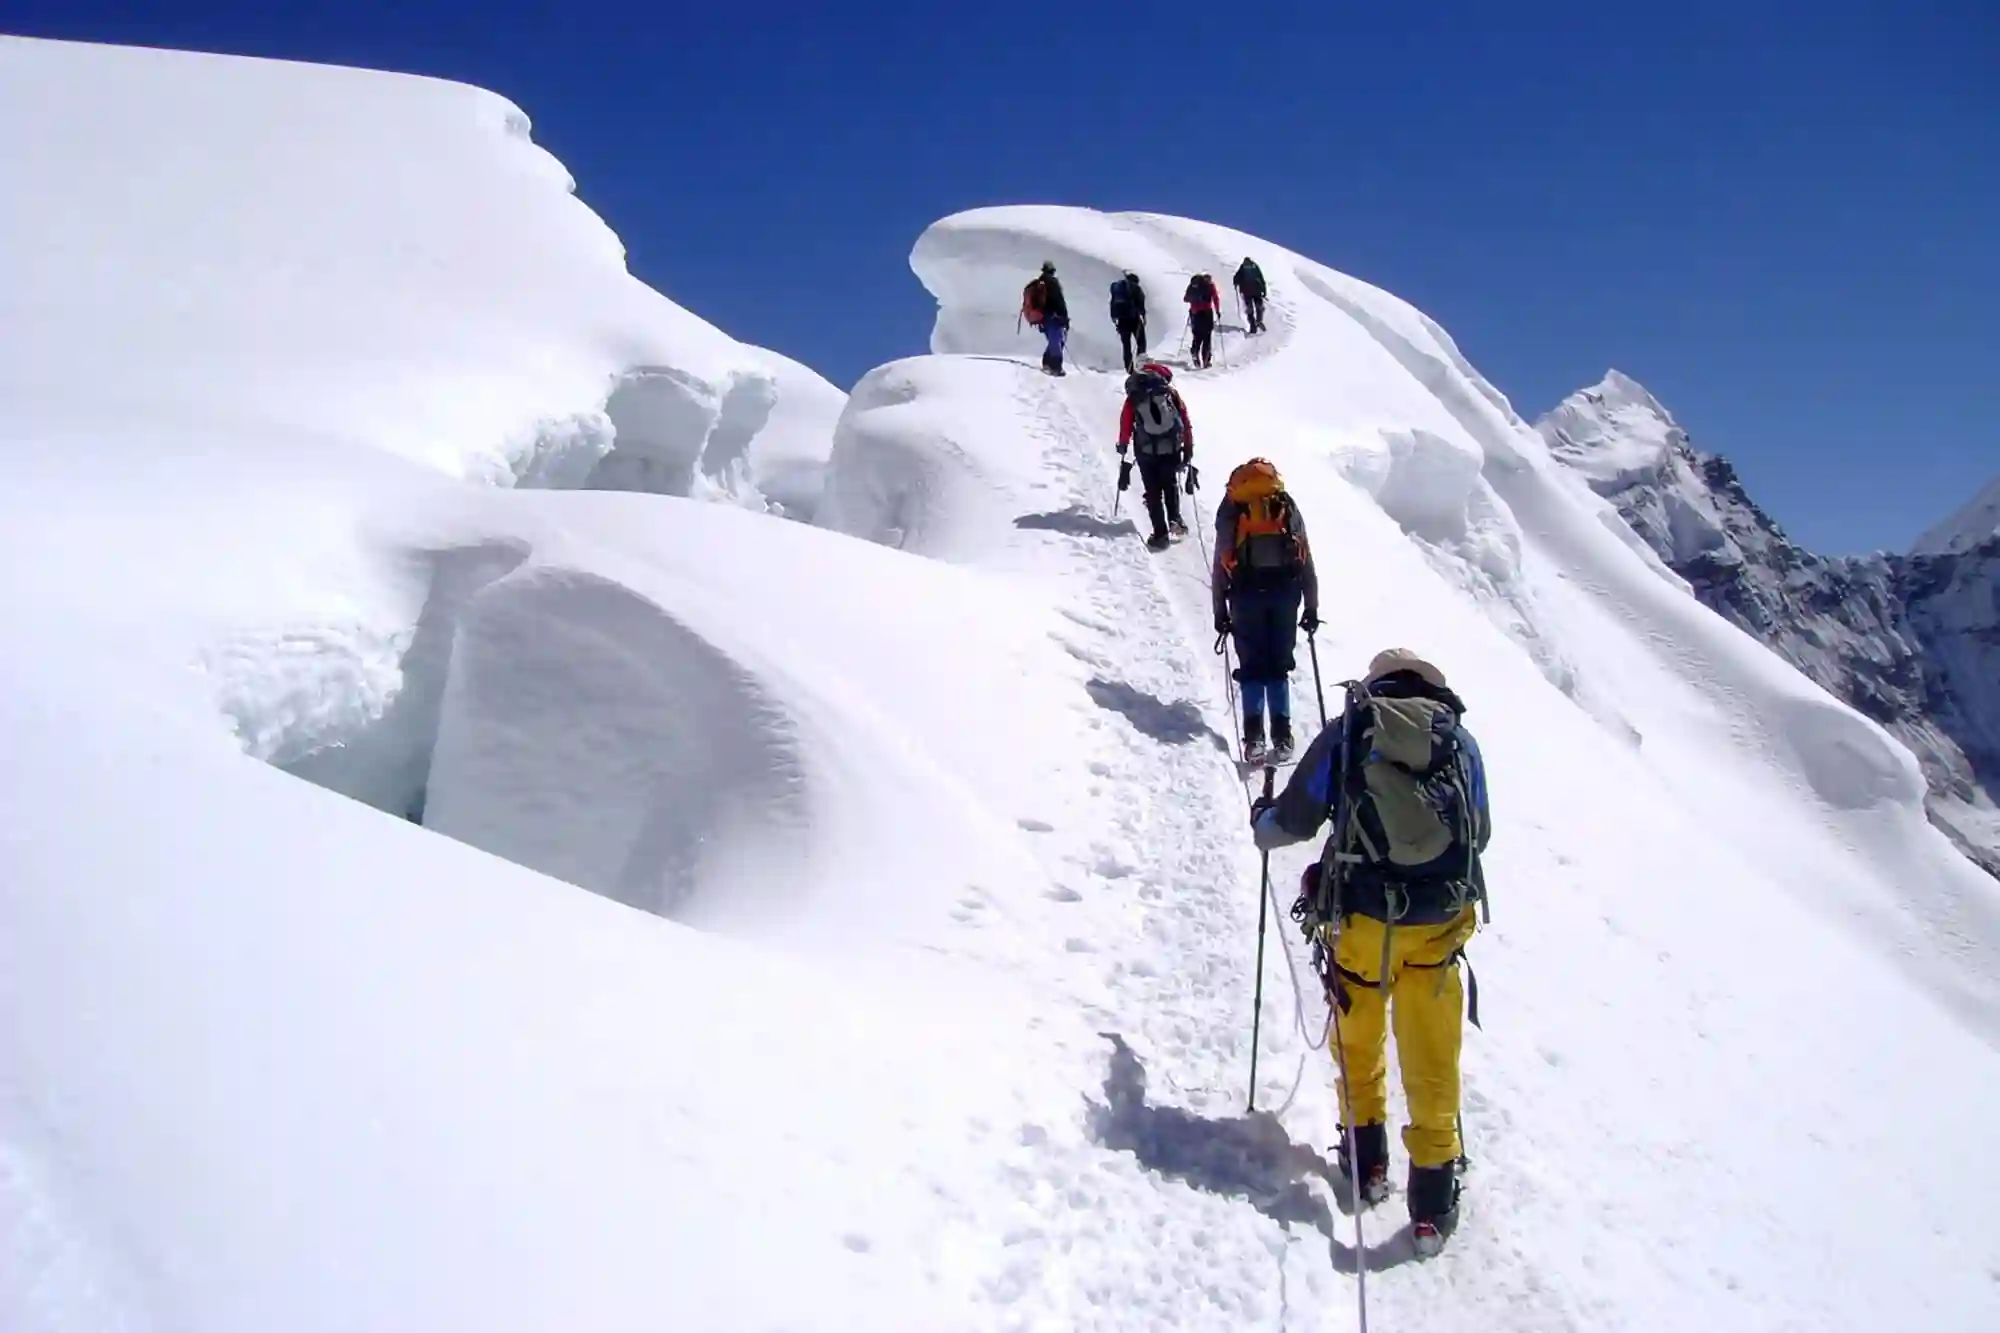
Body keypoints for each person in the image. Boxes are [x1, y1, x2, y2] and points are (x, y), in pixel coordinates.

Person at [1250, 648, 1490, 1257]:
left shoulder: (1352, 731)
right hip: (1437, 927)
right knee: (1432, 1056)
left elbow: (1289, 825)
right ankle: (1433, 1202)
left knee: (1359, 1044)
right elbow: (1479, 832)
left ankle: (1366, 1164)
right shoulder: (1459, 743)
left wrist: (1263, 816)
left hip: (1361, 922)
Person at [1118, 362, 1193, 551]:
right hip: (1171, 447)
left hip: (1145, 450)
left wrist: (1123, 444)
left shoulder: (1135, 396)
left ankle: (1160, 534)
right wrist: (1188, 446)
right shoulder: (1169, 392)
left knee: (1153, 492)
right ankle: (1175, 519)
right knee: (1170, 484)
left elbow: (1126, 421)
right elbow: (1184, 418)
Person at [1021, 261, 1070, 375]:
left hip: (1044, 317)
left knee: (1054, 340)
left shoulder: (1039, 283)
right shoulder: (1052, 282)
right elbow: (1059, 301)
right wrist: (1064, 317)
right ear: (1052, 271)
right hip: (1055, 316)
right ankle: (1055, 367)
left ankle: (1048, 363)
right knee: (1056, 340)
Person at [1109, 271, 1148, 373]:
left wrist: (1114, 317)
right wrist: (1143, 317)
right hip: (1134, 320)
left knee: (1126, 345)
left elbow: (1112, 303)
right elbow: (1141, 305)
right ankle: (1141, 365)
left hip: (1122, 320)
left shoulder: (1117, 289)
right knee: (1141, 343)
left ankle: (1129, 367)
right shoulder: (1137, 289)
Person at [1183, 273, 1221, 369]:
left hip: (1194, 314)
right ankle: (1206, 361)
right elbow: (1215, 298)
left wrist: (1194, 302)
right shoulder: (1210, 286)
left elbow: (1185, 299)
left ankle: (1194, 351)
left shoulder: (1192, 286)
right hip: (1207, 313)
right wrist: (1217, 310)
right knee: (1207, 337)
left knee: (1197, 335)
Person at [1233, 257, 1268, 334]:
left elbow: (1236, 277)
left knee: (1249, 310)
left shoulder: (1242, 267)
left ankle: (1253, 326)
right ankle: (1258, 321)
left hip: (1247, 291)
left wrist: (1236, 283)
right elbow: (1261, 278)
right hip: (1257, 290)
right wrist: (1264, 290)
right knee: (1259, 307)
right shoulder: (1255, 266)